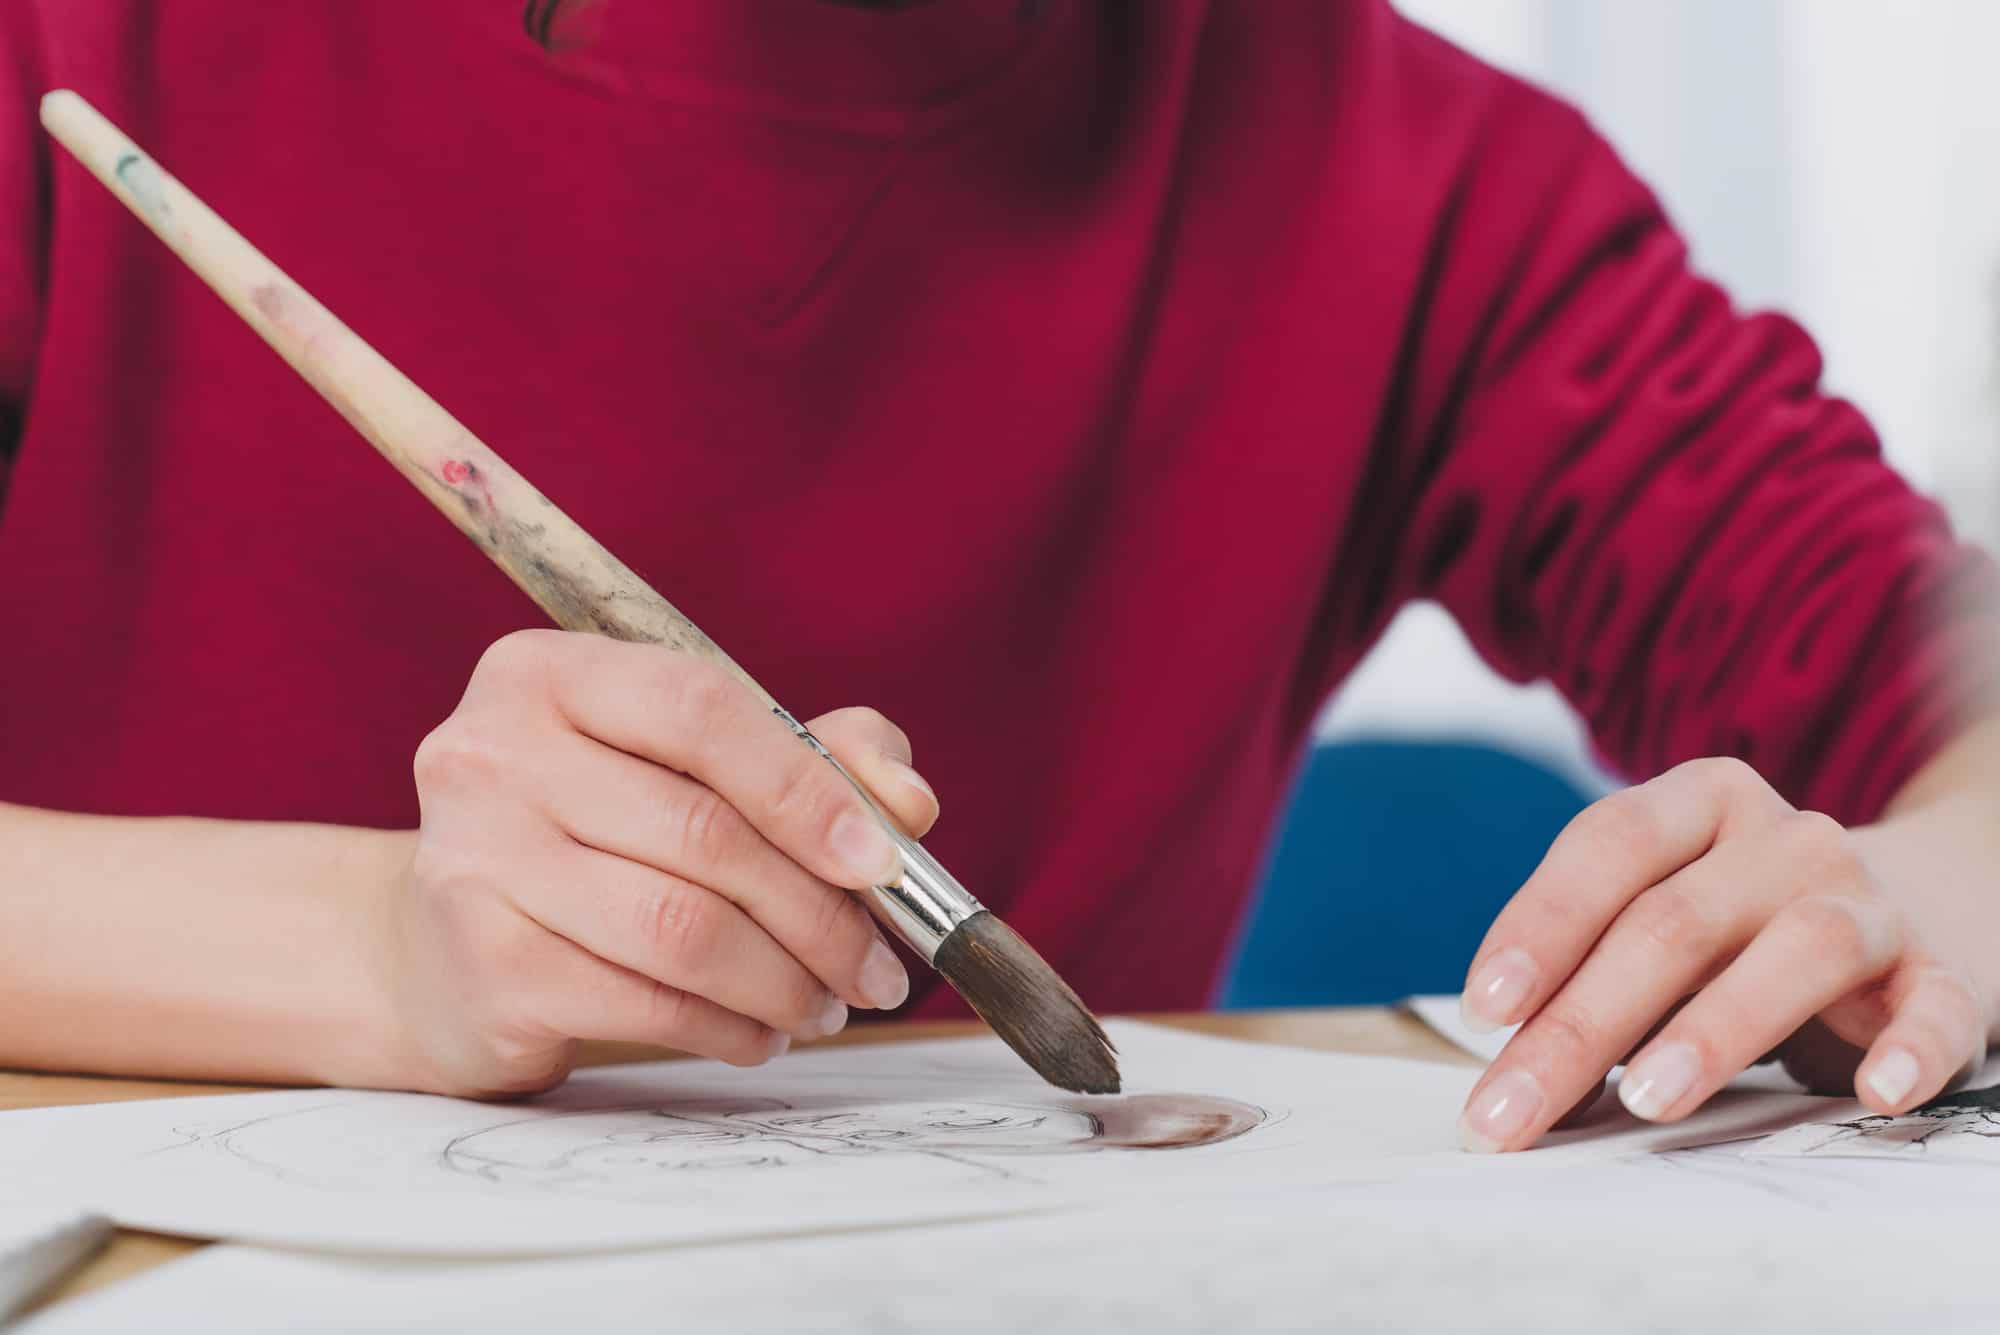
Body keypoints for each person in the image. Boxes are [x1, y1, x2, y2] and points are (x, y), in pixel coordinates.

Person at [0, 0, 1994, 1156]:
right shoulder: (95, 45)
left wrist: (1929, 881)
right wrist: (382, 948)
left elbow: (1947, 685)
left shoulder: (1408, 168)